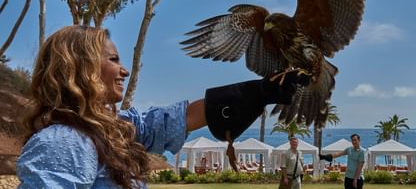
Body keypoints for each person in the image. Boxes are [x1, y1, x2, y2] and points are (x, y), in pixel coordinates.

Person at [16, 25, 309, 188]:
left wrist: (258, 92)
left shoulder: (117, 130)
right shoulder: (63, 142)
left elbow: (178, 118)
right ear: (81, 68)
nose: (124, 71)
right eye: (113, 60)